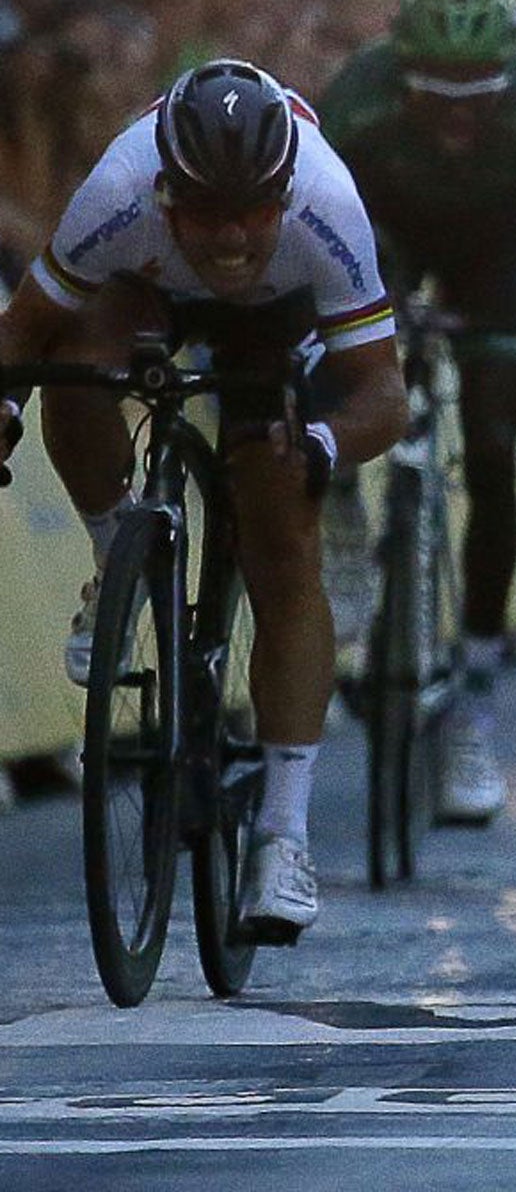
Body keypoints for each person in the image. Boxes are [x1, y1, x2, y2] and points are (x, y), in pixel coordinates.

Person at [0, 59, 406, 934]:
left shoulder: (327, 206)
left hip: (280, 319)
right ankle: (117, 555)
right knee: (74, 366)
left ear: (285, 193)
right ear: (165, 191)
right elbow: (23, 328)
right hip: (147, 294)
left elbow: (383, 391)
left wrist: (325, 445)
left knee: (279, 519)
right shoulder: (118, 186)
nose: (229, 238)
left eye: (253, 213)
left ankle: (281, 836)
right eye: (206, 214)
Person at [318, 0, 516, 826]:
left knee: (490, 448)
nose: (456, 118)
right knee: (333, 359)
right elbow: (310, 220)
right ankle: (341, 515)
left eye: (477, 95)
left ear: (507, 77)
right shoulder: (357, 93)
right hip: (385, 237)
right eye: (435, 96)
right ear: (399, 69)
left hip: (499, 253)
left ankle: (473, 697)